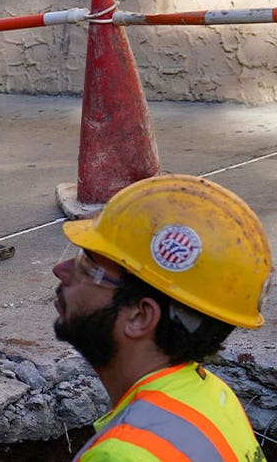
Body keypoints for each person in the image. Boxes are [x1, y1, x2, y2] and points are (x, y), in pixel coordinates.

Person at [53, 174, 271, 460]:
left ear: (140, 316)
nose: (61, 270)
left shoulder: (123, 454)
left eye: (86, 265)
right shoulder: (213, 398)